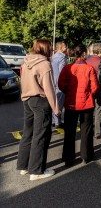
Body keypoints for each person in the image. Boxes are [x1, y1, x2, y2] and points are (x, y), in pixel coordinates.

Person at [17, 39, 61, 181]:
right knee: (40, 136)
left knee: (28, 133)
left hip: (27, 99)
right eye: (50, 48)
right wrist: (56, 108)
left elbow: (23, 82)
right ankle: (36, 171)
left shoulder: (26, 61)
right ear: (45, 49)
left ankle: (23, 166)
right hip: (40, 101)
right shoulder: (44, 64)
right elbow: (49, 88)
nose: (52, 50)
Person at [58, 44, 99, 166]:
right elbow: (95, 87)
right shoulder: (89, 69)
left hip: (71, 102)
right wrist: (89, 94)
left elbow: (61, 84)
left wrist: (69, 92)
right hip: (86, 103)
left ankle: (68, 158)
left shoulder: (68, 68)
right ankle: (86, 155)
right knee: (86, 130)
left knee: (69, 131)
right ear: (84, 54)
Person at [86, 43, 101, 139]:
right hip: (99, 89)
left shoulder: (87, 61)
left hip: (88, 89)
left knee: (89, 111)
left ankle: (88, 129)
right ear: (100, 52)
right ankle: (98, 131)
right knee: (98, 110)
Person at [51, 40, 68, 128]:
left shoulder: (53, 57)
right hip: (59, 84)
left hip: (53, 82)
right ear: (61, 48)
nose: (66, 48)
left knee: (54, 102)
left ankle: (54, 121)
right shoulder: (62, 57)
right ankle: (58, 122)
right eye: (65, 46)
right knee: (59, 104)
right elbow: (63, 71)